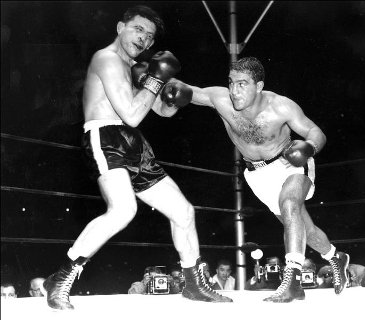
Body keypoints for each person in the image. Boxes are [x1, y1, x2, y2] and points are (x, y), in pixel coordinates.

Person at [42, 5, 232, 310]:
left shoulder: (134, 68)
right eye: (138, 29)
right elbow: (131, 114)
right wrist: (156, 81)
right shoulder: (106, 59)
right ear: (120, 27)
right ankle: (62, 276)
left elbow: (157, 111)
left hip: (134, 144)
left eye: (149, 36)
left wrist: (173, 100)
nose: (143, 39)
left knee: (183, 212)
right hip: (105, 137)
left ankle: (195, 283)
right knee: (123, 210)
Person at [167, 56, 350, 302]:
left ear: (259, 86)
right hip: (257, 174)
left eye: (242, 84)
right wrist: (159, 81)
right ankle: (334, 256)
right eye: (231, 82)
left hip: (290, 164)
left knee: (289, 204)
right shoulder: (220, 99)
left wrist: (308, 148)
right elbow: (188, 91)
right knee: (302, 227)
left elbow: (315, 132)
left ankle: (293, 280)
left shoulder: (281, 106)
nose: (234, 90)